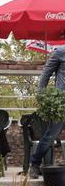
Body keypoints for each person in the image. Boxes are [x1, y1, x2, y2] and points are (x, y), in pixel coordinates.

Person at [29, 44, 65, 178]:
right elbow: (46, 74)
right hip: (61, 104)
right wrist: (42, 96)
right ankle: (35, 165)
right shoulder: (60, 52)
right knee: (50, 136)